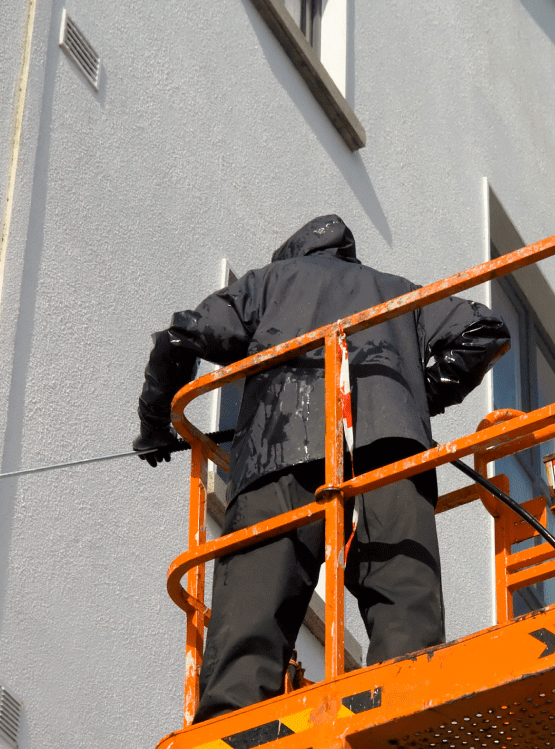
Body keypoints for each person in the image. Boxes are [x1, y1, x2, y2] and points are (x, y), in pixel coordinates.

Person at [134, 215, 509, 723]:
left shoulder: (270, 282)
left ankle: (231, 724)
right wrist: (410, 397)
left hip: (279, 447)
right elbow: (485, 330)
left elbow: (180, 341)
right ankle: (406, 703)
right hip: (391, 445)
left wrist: (156, 425)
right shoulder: (398, 292)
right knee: (403, 592)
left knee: (255, 598)